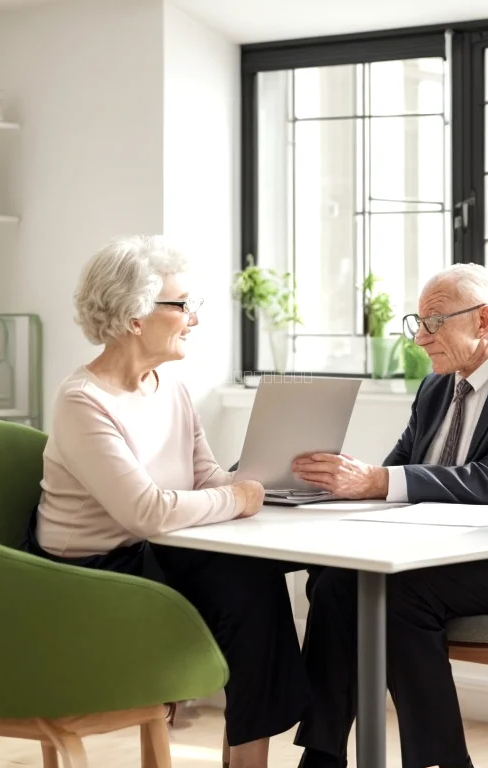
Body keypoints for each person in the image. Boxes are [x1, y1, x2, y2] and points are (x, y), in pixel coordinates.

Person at [24, 235, 309, 768]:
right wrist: (237, 497)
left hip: (156, 553)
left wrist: (274, 480)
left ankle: (251, 757)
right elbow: (145, 511)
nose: (194, 319)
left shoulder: (170, 387)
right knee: (246, 581)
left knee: (265, 573)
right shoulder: (83, 401)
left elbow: (206, 479)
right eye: (183, 306)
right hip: (88, 577)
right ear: (135, 317)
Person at [291, 263, 488, 768]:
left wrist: (379, 482)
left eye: (433, 322)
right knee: (338, 581)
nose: (419, 338)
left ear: (483, 320)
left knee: (398, 594)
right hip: (440, 554)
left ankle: (443, 762)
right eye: (417, 322)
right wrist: (330, 484)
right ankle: (322, 757)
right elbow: (395, 472)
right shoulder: (436, 389)